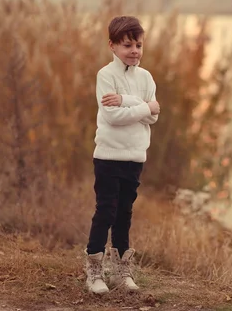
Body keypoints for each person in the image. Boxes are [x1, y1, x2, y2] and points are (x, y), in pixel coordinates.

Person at [84, 16, 160, 294]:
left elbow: (154, 117)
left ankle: (121, 271)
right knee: (106, 211)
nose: (135, 51)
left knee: (125, 214)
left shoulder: (146, 77)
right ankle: (94, 272)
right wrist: (145, 106)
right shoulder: (106, 75)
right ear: (113, 46)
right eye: (127, 45)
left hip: (135, 157)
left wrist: (128, 101)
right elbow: (114, 117)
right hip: (108, 156)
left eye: (138, 44)